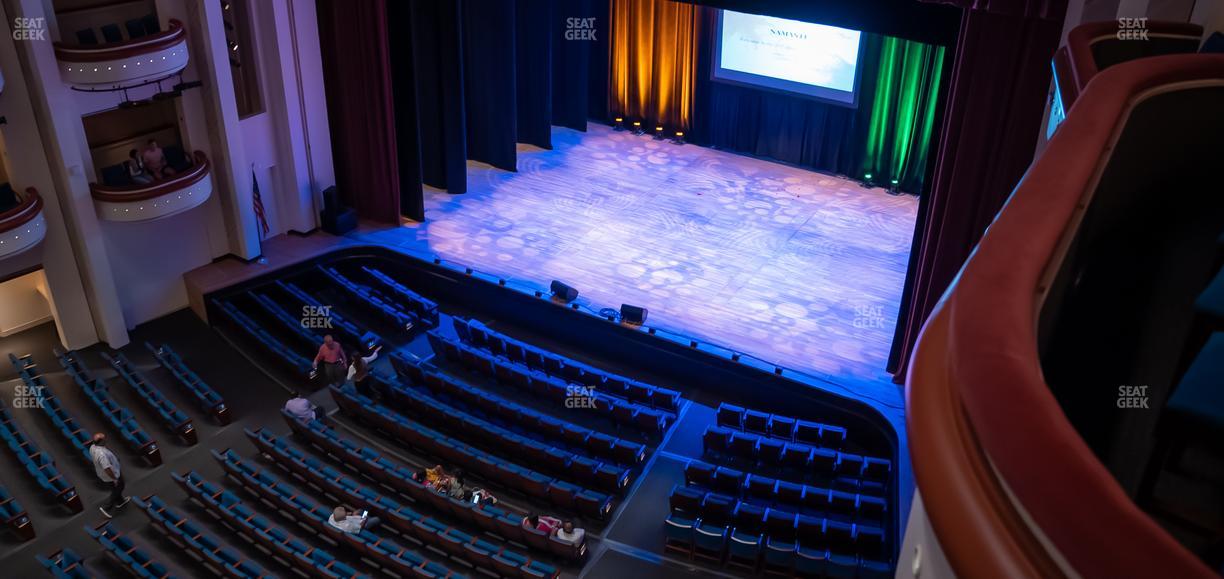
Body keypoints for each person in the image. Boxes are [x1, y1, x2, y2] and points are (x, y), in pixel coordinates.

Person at [89, 433, 130, 518]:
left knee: (114, 488)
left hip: (102, 473)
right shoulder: (101, 454)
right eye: (104, 439)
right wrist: (114, 478)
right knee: (120, 486)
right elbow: (107, 468)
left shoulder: (92, 447)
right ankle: (107, 507)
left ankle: (120, 501)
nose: (106, 440)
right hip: (111, 474)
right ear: (101, 442)